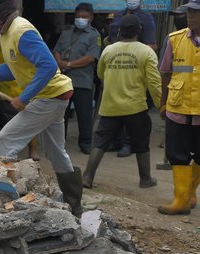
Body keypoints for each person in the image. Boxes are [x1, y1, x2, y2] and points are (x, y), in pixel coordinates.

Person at [0, 0, 82, 217]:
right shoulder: (6, 33)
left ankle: (0, 204)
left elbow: (48, 66)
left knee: (6, 139)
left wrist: (24, 97)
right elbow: (12, 69)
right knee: (56, 152)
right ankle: (75, 207)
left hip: (49, 97)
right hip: (53, 95)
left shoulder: (21, 30)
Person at [82, 15, 161, 189]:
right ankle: (145, 178)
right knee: (141, 143)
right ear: (139, 31)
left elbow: (101, 75)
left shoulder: (108, 51)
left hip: (110, 107)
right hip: (136, 107)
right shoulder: (146, 52)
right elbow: (154, 83)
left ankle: (87, 176)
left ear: (119, 31)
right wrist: (160, 105)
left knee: (100, 142)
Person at [157, 0, 200, 215]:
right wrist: (163, 102)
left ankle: (191, 193)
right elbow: (166, 73)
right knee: (177, 154)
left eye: (195, 13)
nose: (190, 16)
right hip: (178, 106)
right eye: (189, 12)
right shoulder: (175, 39)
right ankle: (181, 200)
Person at [108, 0, 158, 158]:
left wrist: (133, 51)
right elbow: (109, 40)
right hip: (116, 63)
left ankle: (128, 143)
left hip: (135, 66)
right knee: (115, 102)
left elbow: (152, 45)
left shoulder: (147, 18)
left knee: (132, 105)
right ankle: (116, 140)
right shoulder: (117, 16)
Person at [53, 3, 101, 155]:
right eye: (78, 16)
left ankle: (85, 142)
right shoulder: (66, 33)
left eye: (84, 17)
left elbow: (91, 58)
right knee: (61, 113)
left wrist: (69, 64)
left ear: (91, 18)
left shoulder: (94, 35)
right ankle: (60, 142)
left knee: (84, 114)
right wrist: (60, 62)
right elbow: (56, 50)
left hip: (82, 80)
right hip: (63, 80)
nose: (81, 19)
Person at [0, 38, 40, 161]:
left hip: (23, 87)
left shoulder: (17, 40)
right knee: (6, 123)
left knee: (29, 121)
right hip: (4, 88)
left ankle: (33, 150)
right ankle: (9, 153)